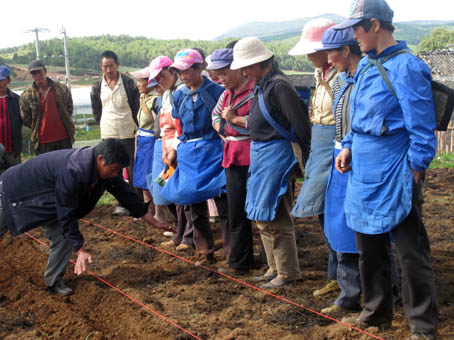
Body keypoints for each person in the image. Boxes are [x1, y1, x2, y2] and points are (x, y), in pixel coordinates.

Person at [334, 1, 438, 339]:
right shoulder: (365, 66)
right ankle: (376, 310)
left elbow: (422, 126)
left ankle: (422, 326)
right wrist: (348, 143)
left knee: (410, 252)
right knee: (369, 247)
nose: (353, 35)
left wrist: (416, 168)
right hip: (363, 167)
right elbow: (359, 116)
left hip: (395, 166)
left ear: (374, 24)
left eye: (357, 28)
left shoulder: (408, 67)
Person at [0, 139, 173, 296]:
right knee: (68, 232)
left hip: (47, 200)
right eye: (114, 170)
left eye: (118, 171)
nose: (115, 174)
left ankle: (53, 283)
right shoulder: (75, 170)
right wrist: (80, 249)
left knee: (65, 236)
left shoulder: (104, 169)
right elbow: (66, 210)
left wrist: (151, 219)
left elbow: (123, 192)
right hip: (10, 195)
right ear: (100, 159)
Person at [230, 37, 311, 288]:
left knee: (276, 216)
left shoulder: (278, 87)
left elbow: (300, 125)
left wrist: (307, 159)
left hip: (277, 157)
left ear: (260, 62)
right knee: (262, 216)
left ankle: (287, 272)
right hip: (262, 157)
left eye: (247, 67)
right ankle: (274, 268)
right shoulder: (262, 84)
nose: (243, 72)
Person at [160, 49, 230, 265]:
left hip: (213, 149)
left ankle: (231, 254)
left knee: (223, 202)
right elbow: (179, 126)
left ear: (199, 68)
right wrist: (174, 149)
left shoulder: (217, 91)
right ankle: (204, 251)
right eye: (178, 72)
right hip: (189, 152)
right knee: (193, 203)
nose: (182, 76)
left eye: (187, 71)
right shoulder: (179, 95)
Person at [289, 18, 341, 297]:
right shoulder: (320, 76)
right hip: (319, 145)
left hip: (334, 146)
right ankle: (335, 274)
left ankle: (343, 276)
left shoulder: (341, 77)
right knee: (322, 210)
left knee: (335, 210)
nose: (309, 55)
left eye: (314, 49)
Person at [314, 27, 363, 315]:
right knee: (341, 225)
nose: (328, 58)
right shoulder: (342, 81)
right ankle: (349, 294)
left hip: (362, 159)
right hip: (340, 157)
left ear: (346, 51)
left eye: (332, 52)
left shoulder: (366, 79)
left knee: (369, 229)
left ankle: (382, 293)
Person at [209, 48, 256, 274]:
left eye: (225, 72)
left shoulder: (255, 90)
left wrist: (232, 122)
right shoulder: (225, 94)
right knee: (236, 211)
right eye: (218, 73)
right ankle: (240, 262)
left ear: (238, 67)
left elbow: (259, 122)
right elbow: (215, 117)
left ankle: (271, 261)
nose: (221, 78)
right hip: (232, 156)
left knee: (264, 212)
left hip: (256, 156)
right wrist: (227, 127)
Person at [146, 55, 192, 250]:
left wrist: (173, 150)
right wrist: (166, 151)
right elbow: (165, 129)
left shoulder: (182, 92)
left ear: (173, 71)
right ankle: (180, 234)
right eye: (156, 78)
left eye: (162, 75)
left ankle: (189, 237)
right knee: (174, 195)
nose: (160, 81)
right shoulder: (165, 95)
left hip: (182, 149)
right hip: (169, 150)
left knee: (185, 197)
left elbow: (182, 126)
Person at [90, 50, 140, 202]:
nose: (109, 70)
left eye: (111, 66)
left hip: (127, 132)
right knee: (112, 170)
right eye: (105, 66)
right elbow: (97, 111)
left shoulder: (129, 84)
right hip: (108, 134)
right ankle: (121, 202)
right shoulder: (97, 87)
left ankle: (135, 202)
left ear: (117, 65)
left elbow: (136, 107)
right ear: (101, 66)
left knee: (131, 168)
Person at [20, 60, 75, 155]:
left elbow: (69, 108)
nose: (37, 76)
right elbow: (26, 118)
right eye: (34, 74)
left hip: (64, 138)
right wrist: (38, 126)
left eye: (39, 72)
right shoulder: (26, 96)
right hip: (42, 142)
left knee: (65, 167)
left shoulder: (62, 89)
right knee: (45, 169)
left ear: (45, 71)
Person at [129, 65, 164, 216]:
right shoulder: (143, 98)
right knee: (142, 178)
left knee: (152, 177)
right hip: (142, 143)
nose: (137, 84)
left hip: (151, 143)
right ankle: (147, 210)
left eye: (140, 81)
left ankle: (159, 213)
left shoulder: (156, 101)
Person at [0, 65, 22, 174]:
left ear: (8, 80)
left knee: (14, 179)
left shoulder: (17, 100)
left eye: (1, 80)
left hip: (12, 151)